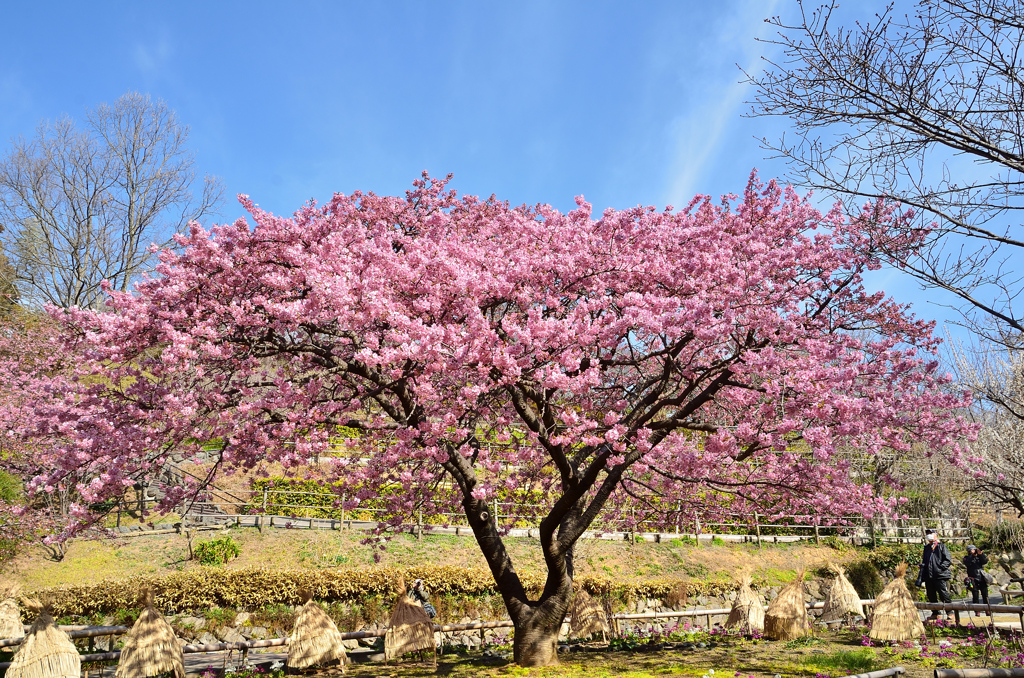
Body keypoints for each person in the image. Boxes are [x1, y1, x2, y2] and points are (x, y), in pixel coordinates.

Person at [920, 529, 958, 623]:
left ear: (935, 535)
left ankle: (950, 612)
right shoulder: (927, 548)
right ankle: (936, 612)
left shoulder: (941, 546)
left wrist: (940, 568)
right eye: (927, 534)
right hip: (929, 575)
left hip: (940, 575)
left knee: (943, 593)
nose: (929, 535)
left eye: (931, 533)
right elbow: (925, 560)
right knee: (931, 594)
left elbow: (947, 559)